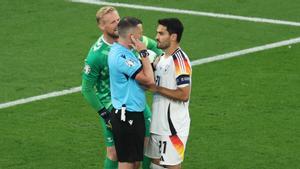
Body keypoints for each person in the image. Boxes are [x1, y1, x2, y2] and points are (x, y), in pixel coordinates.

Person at [108, 17, 155, 169]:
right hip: (126, 116)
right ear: (132, 37)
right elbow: (149, 80)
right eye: (140, 34)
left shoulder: (124, 52)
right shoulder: (122, 57)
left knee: (135, 162)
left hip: (133, 113)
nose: (142, 37)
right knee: (127, 162)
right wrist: (144, 54)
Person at [145, 18, 192, 169]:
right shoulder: (161, 58)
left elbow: (184, 94)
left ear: (173, 36)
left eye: (161, 33)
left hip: (173, 128)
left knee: (171, 166)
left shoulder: (180, 60)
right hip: (158, 124)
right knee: (156, 165)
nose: (156, 36)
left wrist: (157, 88)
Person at [81, 6, 120, 169]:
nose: (118, 24)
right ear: (102, 26)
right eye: (113, 22)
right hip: (112, 106)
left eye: (118, 19)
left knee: (148, 144)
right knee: (114, 153)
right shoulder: (96, 55)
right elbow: (86, 89)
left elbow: (150, 45)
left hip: (133, 100)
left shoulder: (127, 37)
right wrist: (105, 115)